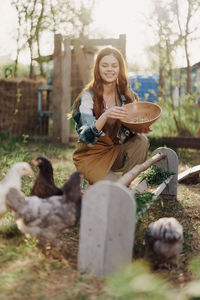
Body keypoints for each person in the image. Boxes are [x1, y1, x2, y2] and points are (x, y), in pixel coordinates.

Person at [72, 47, 150, 185]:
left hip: (114, 151)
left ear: (120, 69)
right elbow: (86, 138)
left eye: (114, 65)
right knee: (111, 186)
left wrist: (138, 127)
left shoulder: (126, 95)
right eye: (105, 65)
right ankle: (89, 180)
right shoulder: (88, 96)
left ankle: (126, 185)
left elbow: (130, 127)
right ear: (98, 68)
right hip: (91, 155)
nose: (110, 69)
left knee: (141, 141)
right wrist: (105, 115)